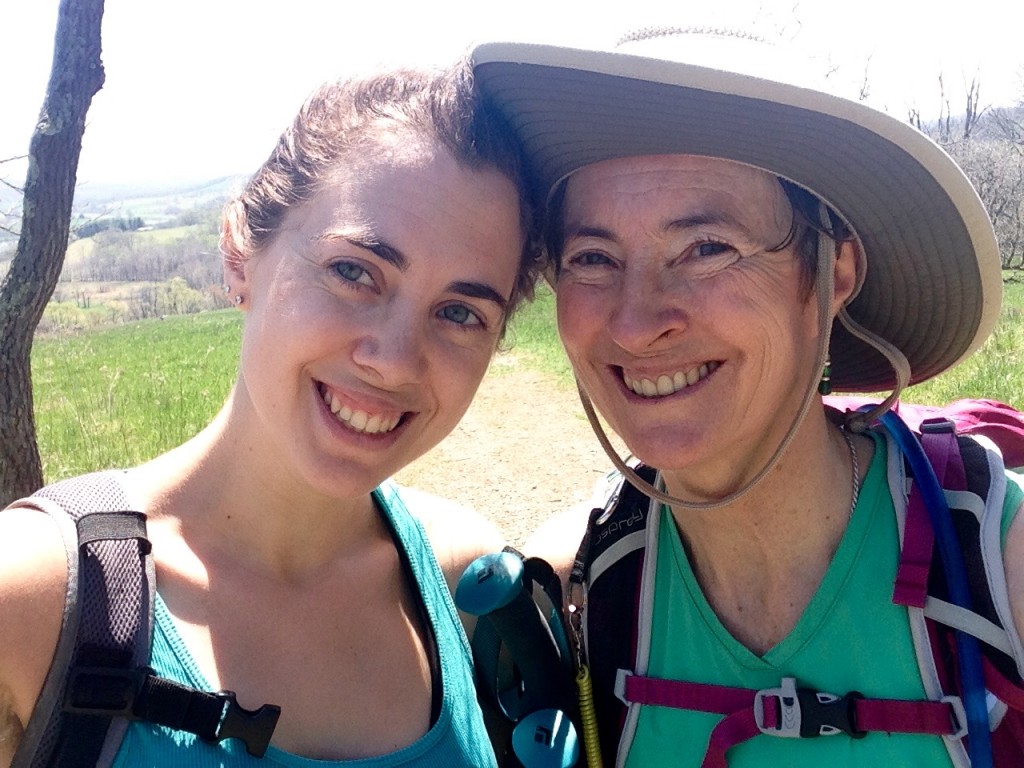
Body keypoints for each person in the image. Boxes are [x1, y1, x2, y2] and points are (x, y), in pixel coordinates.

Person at [471, 28, 1024, 767]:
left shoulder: (1002, 568)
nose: (636, 326)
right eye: (593, 258)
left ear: (834, 273)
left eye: (706, 248)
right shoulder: (578, 591)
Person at [0, 60, 541, 767]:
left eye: (461, 312)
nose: (396, 360)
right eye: (354, 271)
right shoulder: (34, 601)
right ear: (239, 253)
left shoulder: (462, 578)